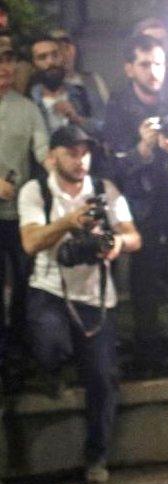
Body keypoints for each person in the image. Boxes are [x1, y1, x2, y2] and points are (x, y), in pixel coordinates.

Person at [18, 125, 142, 484]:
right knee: (49, 344)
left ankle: (96, 458)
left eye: (84, 152)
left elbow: (134, 236)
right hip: (50, 288)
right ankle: (51, 368)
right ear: (53, 155)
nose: (80, 159)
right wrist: (68, 222)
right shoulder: (36, 190)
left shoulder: (105, 190)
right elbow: (30, 242)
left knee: (103, 379)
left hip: (95, 294)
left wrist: (116, 243)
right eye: (71, 152)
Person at [103, 34, 168, 370]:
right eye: (145, 64)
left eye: (159, 64)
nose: (153, 72)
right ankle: (148, 352)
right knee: (144, 281)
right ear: (129, 68)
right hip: (142, 207)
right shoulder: (118, 107)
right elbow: (113, 164)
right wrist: (143, 150)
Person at [0, 41, 47, 373]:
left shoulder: (27, 108)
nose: (5, 67)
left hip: (17, 215)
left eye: (8, 59)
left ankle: (18, 353)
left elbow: (43, 151)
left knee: (22, 285)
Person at [27, 35, 103, 139]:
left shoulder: (82, 93)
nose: (50, 62)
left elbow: (107, 130)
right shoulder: (29, 103)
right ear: (33, 65)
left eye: (55, 55)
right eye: (42, 57)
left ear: (62, 57)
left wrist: (77, 118)